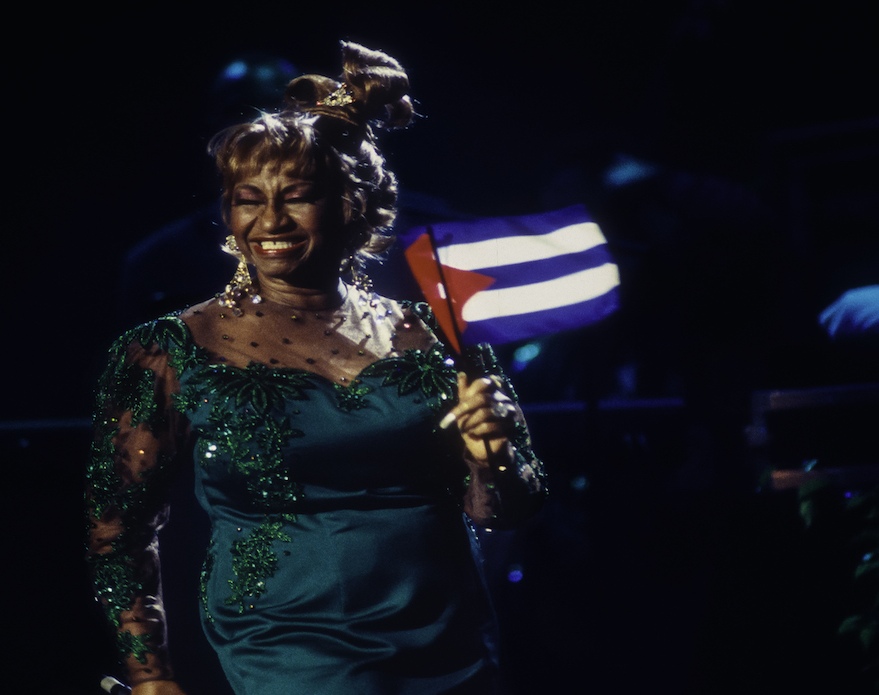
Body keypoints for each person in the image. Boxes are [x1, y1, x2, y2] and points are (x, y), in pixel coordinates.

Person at [85, 41, 547, 695]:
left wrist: (493, 457)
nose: (269, 220)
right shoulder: (166, 349)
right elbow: (116, 533)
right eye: (249, 198)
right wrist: (152, 678)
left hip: (453, 652)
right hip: (292, 653)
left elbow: (505, 510)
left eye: (296, 196)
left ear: (353, 205)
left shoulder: (433, 332)